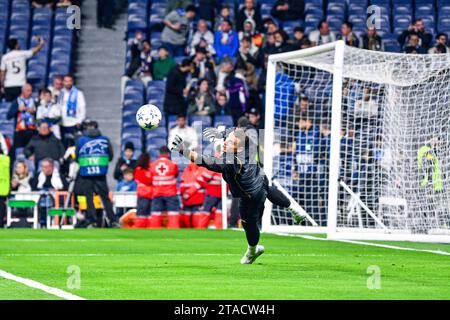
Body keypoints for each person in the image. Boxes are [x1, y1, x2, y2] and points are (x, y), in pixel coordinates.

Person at [169, 127, 305, 264]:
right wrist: (221, 134)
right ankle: (293, 208)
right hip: (260, 177)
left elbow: (205, 161)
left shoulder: (232, 162)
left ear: (238, 149)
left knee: (249, 224)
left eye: (230, 142)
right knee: (267, 188)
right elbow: (236, 131)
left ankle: (252, 251)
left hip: (250, 195)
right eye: (227, 139)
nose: (225, 142)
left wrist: (183, 150)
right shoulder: (246, 144)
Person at [75, 120, 118, 228]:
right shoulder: (105, 140)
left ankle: (92, 221)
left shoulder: (81, 141)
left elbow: (77, 158)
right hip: (100, 173)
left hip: (86, 173)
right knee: (105, 198)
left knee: (89, 198)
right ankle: (112, 221)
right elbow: (111, 157)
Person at [1, 37, 45, 102]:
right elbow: (35, 50)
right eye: (18, 43)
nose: (19, 45)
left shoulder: (5, 57)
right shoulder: (22, 54)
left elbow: (2, 73)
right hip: (20, 84)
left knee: (9, 106)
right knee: (21, 105)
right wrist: (41, 43)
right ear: (16, 45)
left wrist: (2, 86)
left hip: (8, 85)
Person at [150, 146, 180, 228]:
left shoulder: (153, 165)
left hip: (157, 193)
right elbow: (176, 174)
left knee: (156, 214)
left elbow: (150, 177)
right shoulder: (173, 165)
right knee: (173, 213)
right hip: (170, 193)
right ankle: (174, 233)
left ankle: (154, 233)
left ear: (159, 153)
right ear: (168, 154)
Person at [7, 84, 37, 157]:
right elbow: (8, 116)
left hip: (31, 132)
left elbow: (40, 115)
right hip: (19, 132)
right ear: (23, 91)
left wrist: (34, 112)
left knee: (30, 152)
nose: (30, 93)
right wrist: (17, 110)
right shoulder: (17, 101)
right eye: (28, 91)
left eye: (31, 91)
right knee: (18, 152)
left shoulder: (34, 101)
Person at [58, 74, 86, 143]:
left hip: (74, 123)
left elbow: (82, 107)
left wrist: (80, 121)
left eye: (69, 81)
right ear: (63, 82)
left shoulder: (78, 93)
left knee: (75, 144)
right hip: (62, 123)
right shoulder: (60, 93)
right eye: (66, 81)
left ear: (72, 82)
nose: (68, 83)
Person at [179, 162, 205, 228]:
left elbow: (182, 184)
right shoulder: (202, 169)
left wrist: (184, 193)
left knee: (187, 217)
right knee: (195, 217)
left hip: (188, 198)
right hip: (197, 198)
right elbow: (199, 183)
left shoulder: (187, 170)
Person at [134, 153, 153, 228]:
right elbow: (147, 180)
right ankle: (140, 228)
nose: (150, 161)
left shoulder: (149, 169)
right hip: (143, 195)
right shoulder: (139, 170)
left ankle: (147, 228)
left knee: (148, 214)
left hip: (150, 195)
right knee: (142, 214)